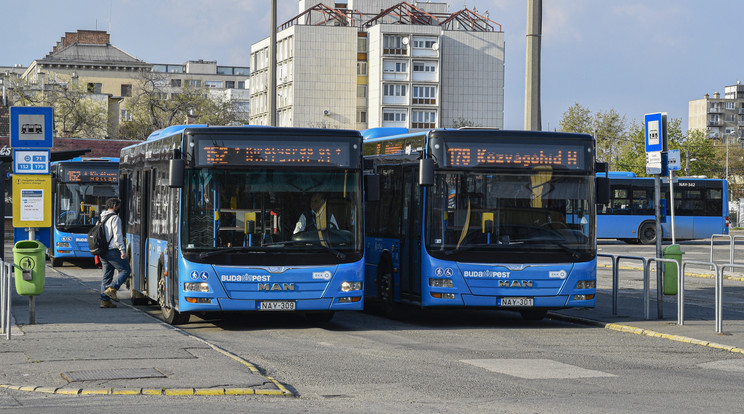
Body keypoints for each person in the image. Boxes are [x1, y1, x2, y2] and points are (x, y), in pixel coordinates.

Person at [99, 198, 131, 308]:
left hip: (102, 251)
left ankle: (105, 301)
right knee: (126, 270)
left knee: (106, 276)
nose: (118, 208)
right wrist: (122, 250)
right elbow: (117, 236)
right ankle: (112, 289)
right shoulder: (115, 218)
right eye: (118, 206)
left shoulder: (102, 217)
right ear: (114, 206)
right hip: (113, 250)